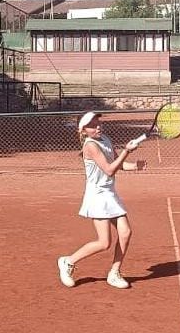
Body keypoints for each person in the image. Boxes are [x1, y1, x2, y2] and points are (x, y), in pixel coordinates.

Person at [58, 111, 144, 289]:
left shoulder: (105, 139)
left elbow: (117, 163)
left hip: (109, 193)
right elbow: (109, 170)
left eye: (98, 122)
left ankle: (114, 272)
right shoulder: (90, 146)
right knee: (104, 242)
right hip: (97, 196)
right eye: (92, 125)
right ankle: (68, 261)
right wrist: (127, 151)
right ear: (83, 130)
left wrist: (134, 166)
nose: (97, 126)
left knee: (126, 232)